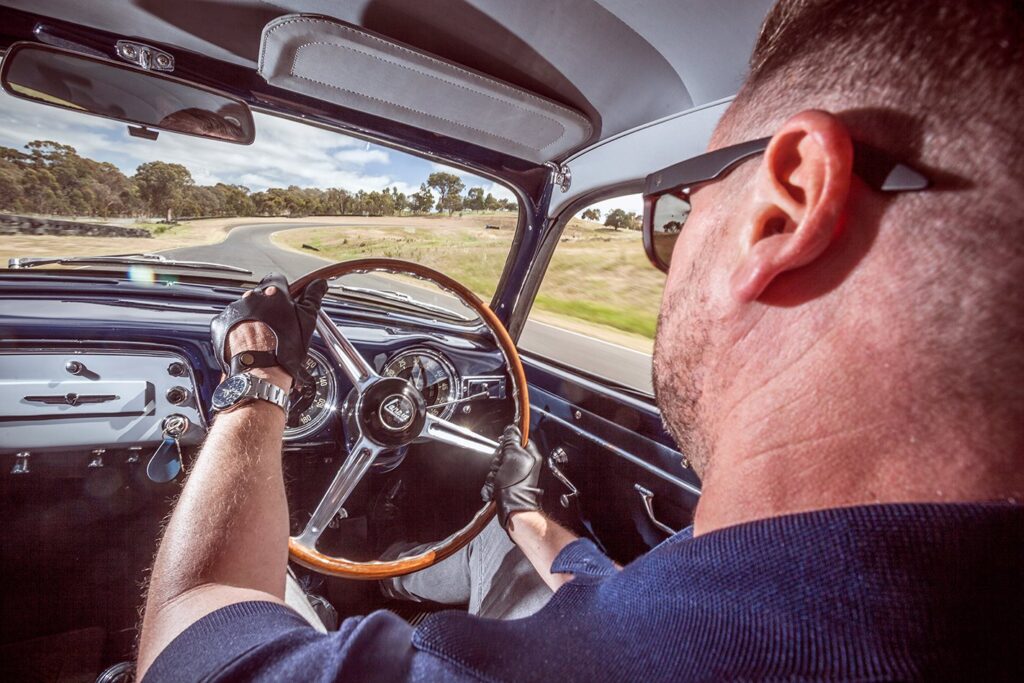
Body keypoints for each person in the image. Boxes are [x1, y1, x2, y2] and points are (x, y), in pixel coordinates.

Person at [136, 0, 1023, 680]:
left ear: (783, 209)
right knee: (491, 539)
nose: (663, 255)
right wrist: (527, 513)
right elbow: (661, 598)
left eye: (675, 210)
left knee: (275, 591)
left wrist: (256, 375)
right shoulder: (872, 584)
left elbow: (193, 626)